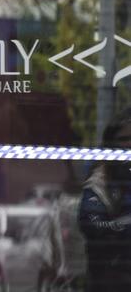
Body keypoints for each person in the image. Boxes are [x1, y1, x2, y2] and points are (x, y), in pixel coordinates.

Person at [79, 108, 131, 291]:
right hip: (110, 279)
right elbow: (92, 225)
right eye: (124, 139)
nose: (129, 145)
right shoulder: (99, 180)